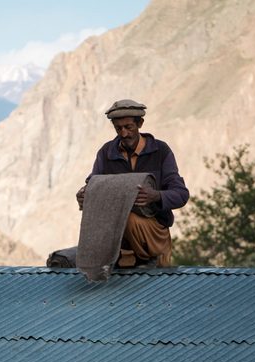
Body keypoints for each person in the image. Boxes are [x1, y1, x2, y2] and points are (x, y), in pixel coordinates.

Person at [76, 99, 189, 267]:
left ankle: (138, 258)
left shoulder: (161, 151)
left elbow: (181, 195)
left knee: (127, 217)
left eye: (128, 127)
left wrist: (156, 196)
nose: (123, 134)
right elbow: (94, 184)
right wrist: (85, 195)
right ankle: (121, 257)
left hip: (153, 233)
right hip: (117, 235)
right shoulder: (106, 153)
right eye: (118, 128)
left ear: (140, 124)